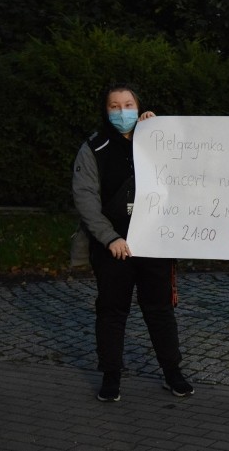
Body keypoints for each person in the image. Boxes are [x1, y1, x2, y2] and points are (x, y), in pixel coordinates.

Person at [72, 83, 193, 402]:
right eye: (114, 106)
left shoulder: (156, 140)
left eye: (128, 104)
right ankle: (111, 376)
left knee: (160, 310)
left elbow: (185, 174)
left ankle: (172, 372)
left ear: (139, 108)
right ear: (105, 110)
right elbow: (85, 198)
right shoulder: (93, 147)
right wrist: (110, 237)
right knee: (111, 311)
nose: (122, 111)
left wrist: (160, 130)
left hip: (156, 244)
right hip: (113, 248)